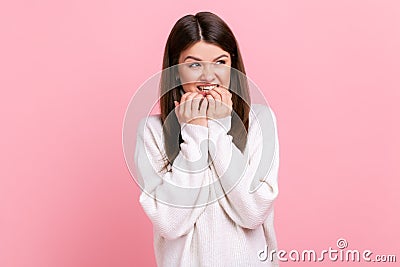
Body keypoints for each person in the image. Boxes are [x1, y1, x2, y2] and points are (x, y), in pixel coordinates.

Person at [134, 11, 280, 266]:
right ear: (176, 71)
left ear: (232, 66)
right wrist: (195, 129)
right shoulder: (152, 131)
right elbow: (170, 222)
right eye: (194, 64)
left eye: (220, 62)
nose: (208, 76)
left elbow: (253, 212)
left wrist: (218, 128)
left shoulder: (260, 122)